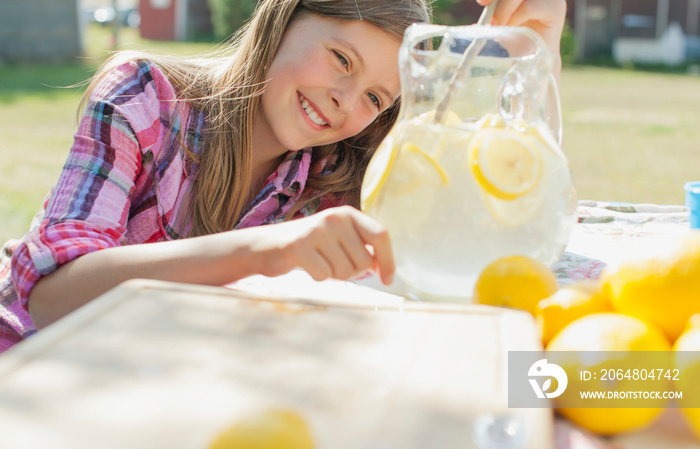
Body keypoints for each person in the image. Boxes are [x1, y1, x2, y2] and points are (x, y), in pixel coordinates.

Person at [0, 0, 567, 353]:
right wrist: (265, 249)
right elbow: (53, 296)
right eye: (341, 60)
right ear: (284, 14)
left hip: (168, 384)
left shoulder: (344, 169)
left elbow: (499, 220)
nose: (345, 103)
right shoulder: (145, 98)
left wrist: (540, 51)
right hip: (36, 368)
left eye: (375, 96)